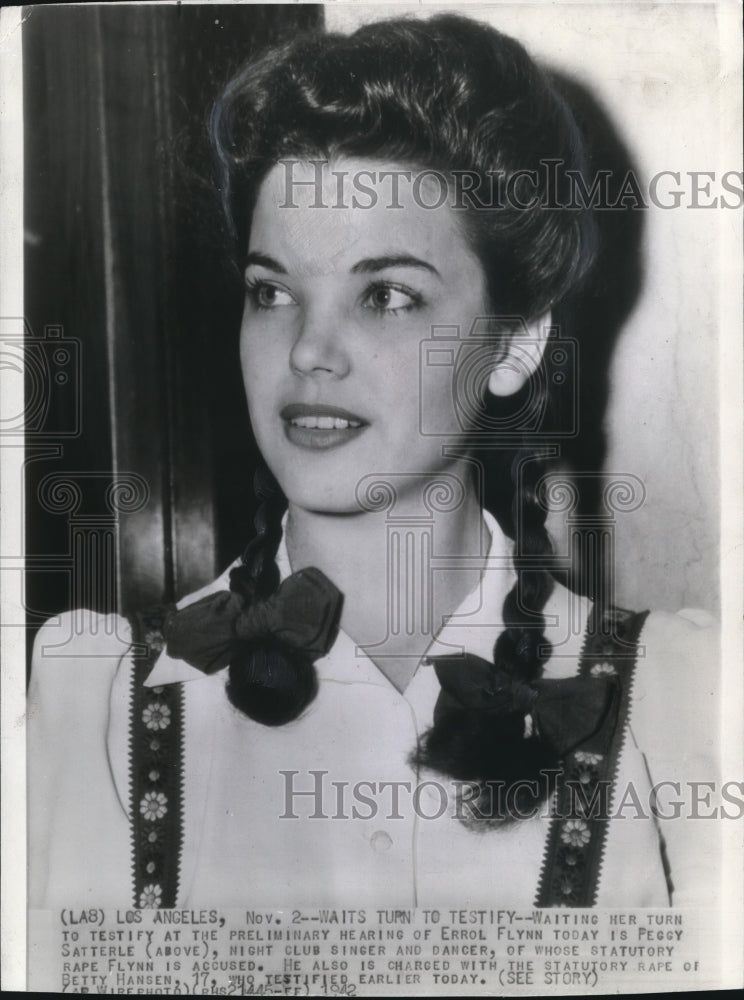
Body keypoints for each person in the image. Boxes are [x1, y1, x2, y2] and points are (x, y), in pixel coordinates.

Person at [28, 12, 719, 913]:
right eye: (271, 291)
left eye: (386, 295)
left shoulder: (679, 700)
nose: (309, 350)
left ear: (512, 344)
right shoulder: (107, 703)